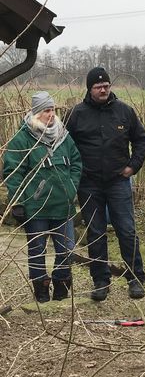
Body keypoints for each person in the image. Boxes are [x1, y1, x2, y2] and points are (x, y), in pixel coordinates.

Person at [66, 67, 145, 301]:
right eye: (98, 87)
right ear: (89, 89)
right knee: (95, 233)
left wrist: (133, 166)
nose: (103, 90)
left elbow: (141, 139)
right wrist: (76, 173)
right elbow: (66, 146)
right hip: (89, 184)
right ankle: (101, 281)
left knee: (127, 230)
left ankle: (135, 279)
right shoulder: (76, 114)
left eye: (106, 86)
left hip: (118, 182)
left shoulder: (124, 111)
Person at [3, 91, 82, 302]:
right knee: (37, 251)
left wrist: (71, 187)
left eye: (53, 110)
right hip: (36, 206)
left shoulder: (63, 135)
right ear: (37, 113)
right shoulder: (23, 139)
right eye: (46, 110)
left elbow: (76, 162)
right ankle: (40, 289)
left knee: (66, 250)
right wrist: (19, 200)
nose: (51, 114)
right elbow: (13, 172)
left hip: (62, 204)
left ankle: (61, 284)